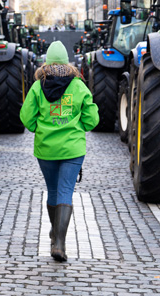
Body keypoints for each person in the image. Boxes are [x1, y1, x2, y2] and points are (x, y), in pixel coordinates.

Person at [19, 41, 99, 262]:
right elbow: (92, 120)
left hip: (46, 149)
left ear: (47, 62)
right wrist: (76, 128)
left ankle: (55, 234)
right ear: (67, 62)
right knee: (65, 191)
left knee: (53, 191)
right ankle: (60, 244)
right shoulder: (79, 86)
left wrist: (40, 129)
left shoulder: (37, 87)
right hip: (73, 150)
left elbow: (26, 117)